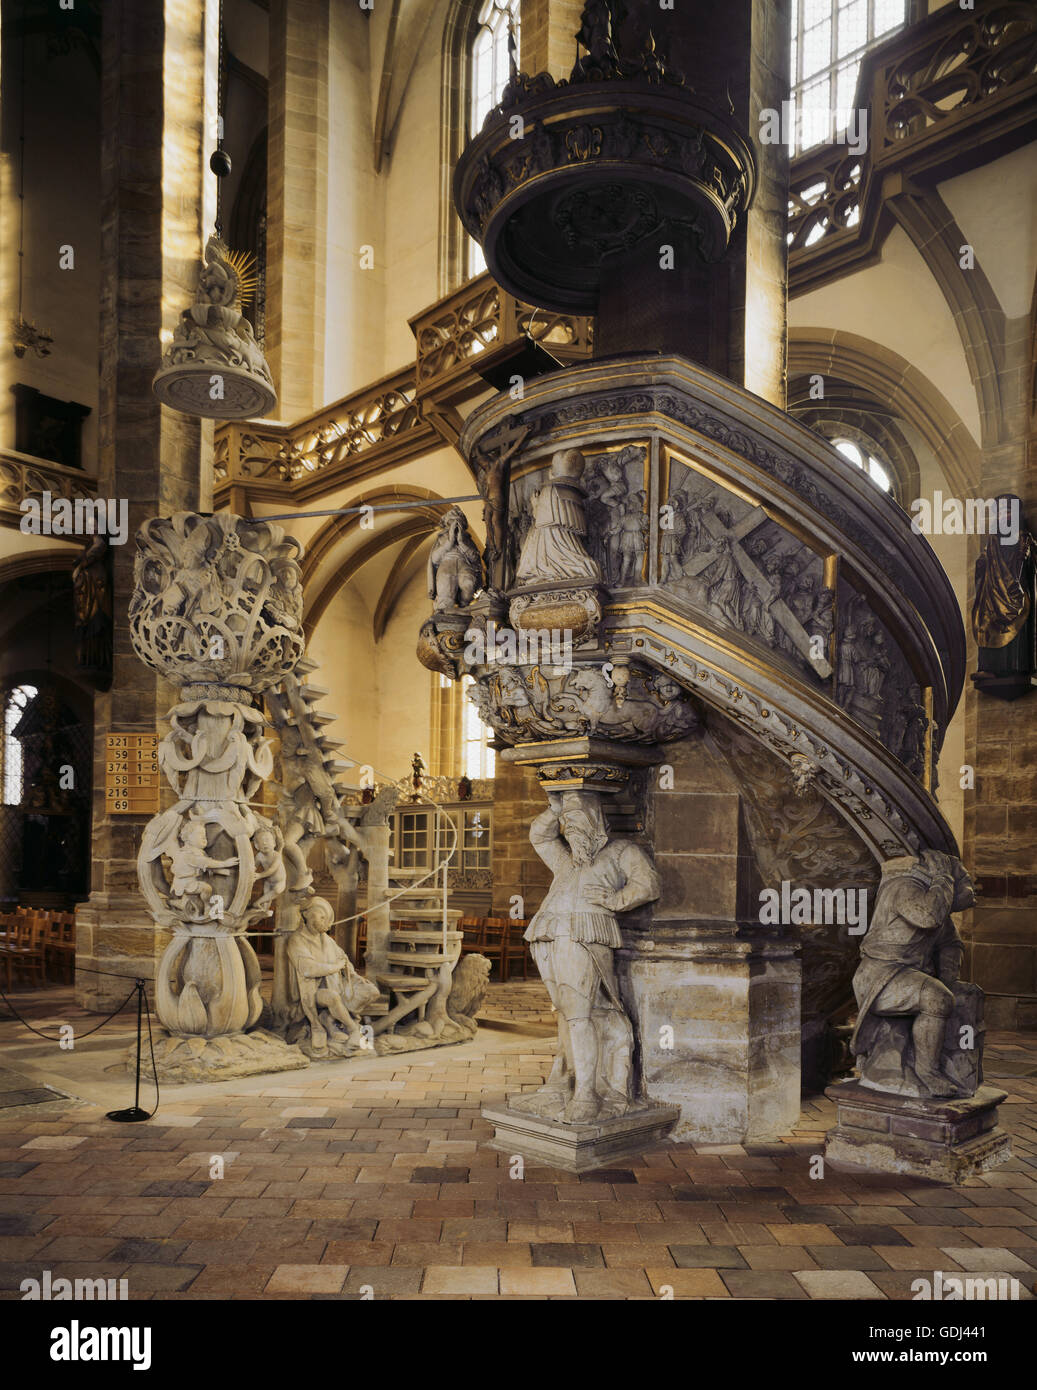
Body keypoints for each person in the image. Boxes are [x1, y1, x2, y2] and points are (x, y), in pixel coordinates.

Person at [515, 791, 659, 1123]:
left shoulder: (621, 851)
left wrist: (616, 899)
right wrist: (554, 809)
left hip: (586, 934)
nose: (570, 830)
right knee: (566, 1013)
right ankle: (562, 1081)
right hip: (550, 934)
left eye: (578, 823)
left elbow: (648, 885)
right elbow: (540, 835)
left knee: (581, 1014)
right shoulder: (566, 861)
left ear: (597, 822)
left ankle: (586, 1095)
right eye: (568, 825)